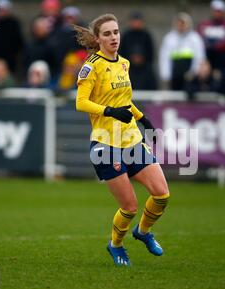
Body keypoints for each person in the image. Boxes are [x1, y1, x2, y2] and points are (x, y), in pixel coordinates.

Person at [74, 14, 170, 267]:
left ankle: (143, 232)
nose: (114, 37)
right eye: (107, 34)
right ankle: (115, 245)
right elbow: (80, 102)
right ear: (97, 39)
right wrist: (109, 111)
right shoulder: (91, 66)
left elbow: (124, 100)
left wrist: (142, 117)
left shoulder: (124, 63)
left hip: (132, 140)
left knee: (161, 195)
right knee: (129, 207)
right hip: (106, 144)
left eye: (116, 32)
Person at [159, 12, 205, 90]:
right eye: (179, 23)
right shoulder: (169, 38)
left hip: (191, 77)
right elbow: (164, 57)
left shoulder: (195, 38)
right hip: (175, 77)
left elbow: (199, 57)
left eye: (183, 23)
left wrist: (194, 72)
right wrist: (166, 75)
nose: (181, 26)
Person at [119, 11, 157, 90]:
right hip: (129, 70)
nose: (136, 23)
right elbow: (121, 53)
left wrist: (143, 59)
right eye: (134, 21)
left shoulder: (147, 36)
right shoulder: (126, 36)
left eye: (138, 21)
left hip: (145, 70)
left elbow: (151, 53)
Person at [197, 0, 225, 74]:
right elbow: (198, 38)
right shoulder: (204, 24)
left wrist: (216, 47)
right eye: (215, 11)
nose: (217, 13)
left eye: (219, 11)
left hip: (222, 57)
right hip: (207, 56)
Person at [0, 0, 24, 74]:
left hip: (10, 60)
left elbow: (18, 42)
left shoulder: (14, 23)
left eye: (3, 9)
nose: (1, 12)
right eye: (0, 10)